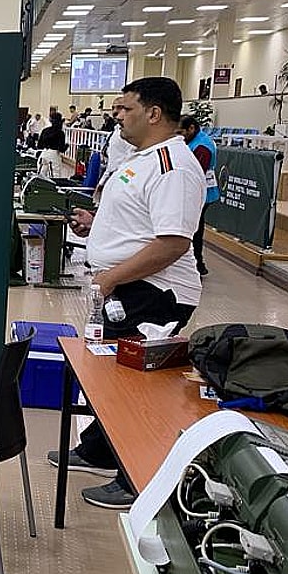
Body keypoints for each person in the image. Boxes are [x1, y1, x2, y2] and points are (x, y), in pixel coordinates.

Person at [48, 76, 204, 510]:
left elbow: (172, 244)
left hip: (155, 293)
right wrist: (95, 223)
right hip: (126, 286)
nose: (116, 115)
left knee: (136, 388)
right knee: (107, 375)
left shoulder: (174, 167)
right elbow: (139, 226)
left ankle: (134, 477)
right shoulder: (144, 159)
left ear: (154, 113)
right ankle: (98, 449)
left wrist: (112, 275)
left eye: (124, 108)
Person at [179, 116, 219, 276]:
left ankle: (197, 263)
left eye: (181, 132)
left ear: (191, 128)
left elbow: (196, 174)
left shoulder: (202, 146)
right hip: (195, 193)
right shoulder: (192, 141)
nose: (179, 136)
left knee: (195, 229)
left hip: (202, 195)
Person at [37, 112, 72, 179]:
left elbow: (39, 145)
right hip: (54, 155)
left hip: (44, 153)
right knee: (55, 176)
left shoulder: (45, 130)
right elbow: (61, 149)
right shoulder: (60, 133)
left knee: (41, 175)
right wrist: (67, 146)